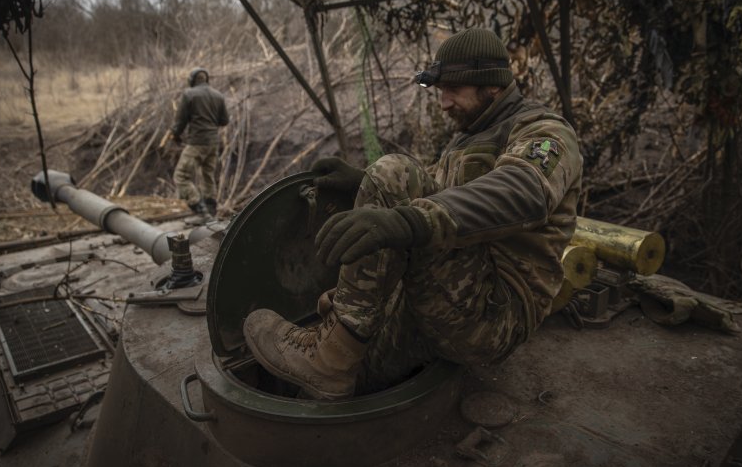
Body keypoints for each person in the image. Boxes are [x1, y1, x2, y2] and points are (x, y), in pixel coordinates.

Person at [243, 28, 583, 400]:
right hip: (454, 295)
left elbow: (524, 190)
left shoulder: (544, 132)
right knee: (349, 380)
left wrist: (406, 217)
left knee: (394, 170)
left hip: (495, 313)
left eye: (453, 89)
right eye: (440, 91)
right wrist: (361, 183)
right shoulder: (469, 138)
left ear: (492, 85)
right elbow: (435, 191)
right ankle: (335, 355)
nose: (444, 103)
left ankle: (329, 358)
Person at [172, 67, 229, 219]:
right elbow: (224, 121)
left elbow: (180, 121)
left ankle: (199, 208)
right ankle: (210, 212)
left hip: (197, 142)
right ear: (206, 79)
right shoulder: (218, 95)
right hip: (213, 143)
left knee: (181, 176)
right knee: (208, 175)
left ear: (191, 80)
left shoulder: (188, 94)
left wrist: (175, 135)